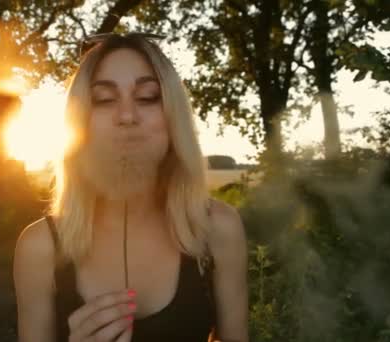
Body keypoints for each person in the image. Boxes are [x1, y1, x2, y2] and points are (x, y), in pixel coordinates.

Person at [13, 32, 248, 342]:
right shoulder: (39, 248)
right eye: (104, 100)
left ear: (173, 118)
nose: (126, 116)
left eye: (148, 96)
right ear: (79, 122)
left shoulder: (217, 229)